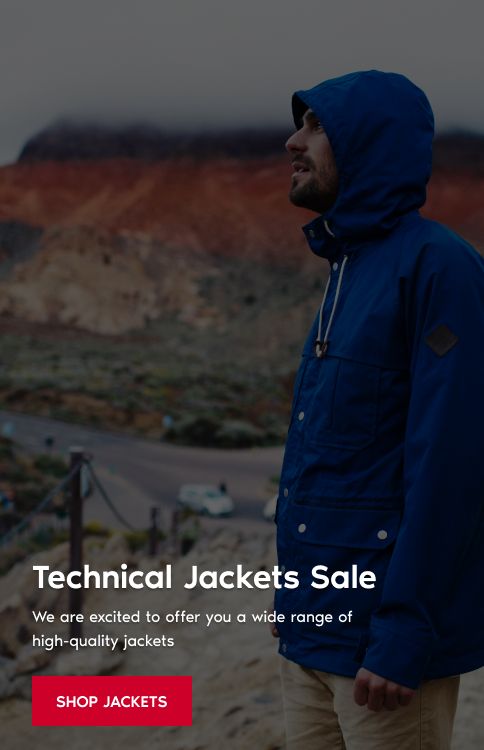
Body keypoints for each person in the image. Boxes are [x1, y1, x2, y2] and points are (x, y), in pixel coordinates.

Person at [273, 70, 484, 750]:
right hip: (311, 636)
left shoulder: (439, 268)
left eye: (317, 126)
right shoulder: (347, 269)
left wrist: (404, 631)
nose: (293, 142)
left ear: (369, 142)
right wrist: (294, 607)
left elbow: (451, 465)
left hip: (380, 657)